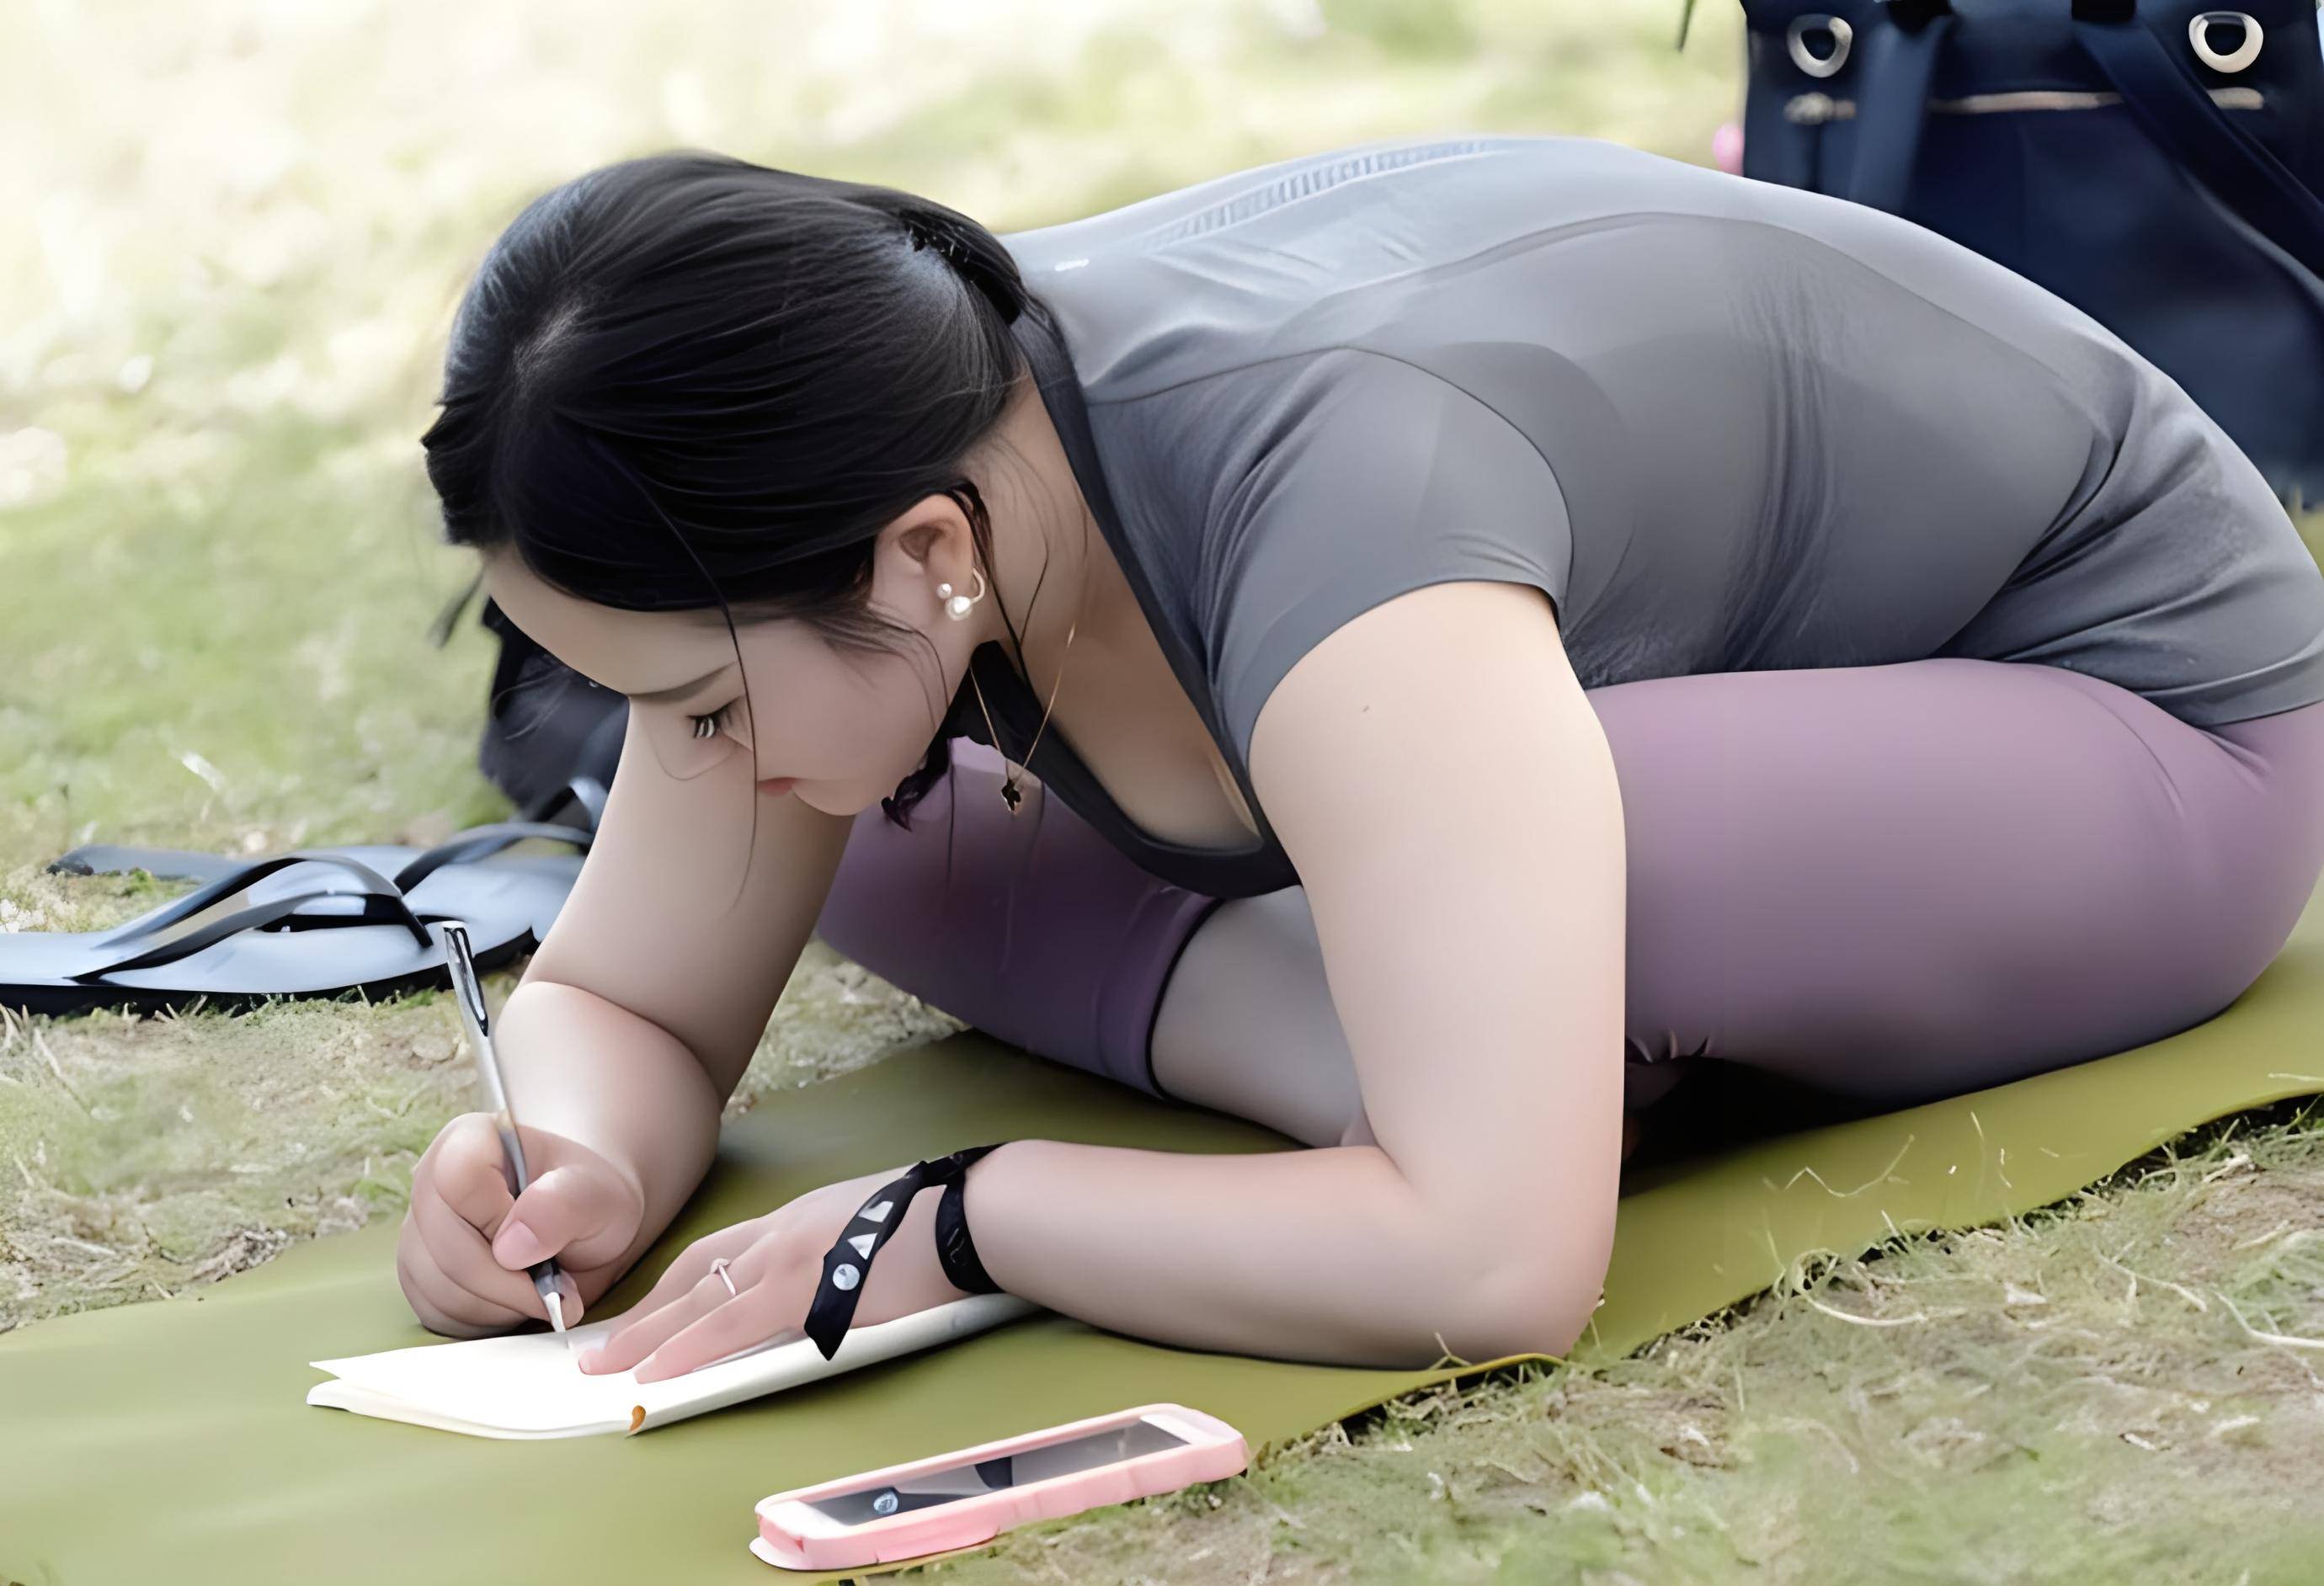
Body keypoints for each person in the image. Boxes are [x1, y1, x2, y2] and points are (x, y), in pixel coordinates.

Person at [399, 133, 2324, 1377]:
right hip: (1525, 722)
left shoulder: (1339, 527)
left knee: (1569, 868)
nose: (683, 763)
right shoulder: (878, 465)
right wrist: (562, 1153)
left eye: (700, 703)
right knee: (884, 826)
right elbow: (633, 998)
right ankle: (1445, 1015)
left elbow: (1495, 1268)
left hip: (2140, 724)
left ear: (924, 555)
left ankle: (1457, 1028)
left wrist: (970, 1216)